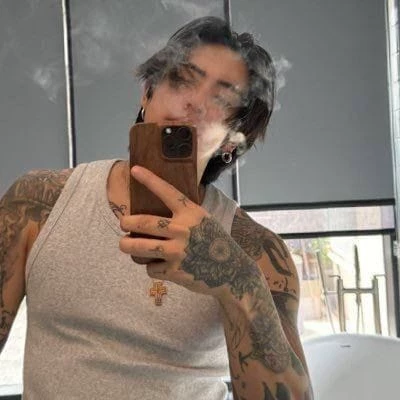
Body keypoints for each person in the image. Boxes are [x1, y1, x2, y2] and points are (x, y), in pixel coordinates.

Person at [0, 16, 313, 400]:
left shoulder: (257, 252)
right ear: (147, 94)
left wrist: (236, 279)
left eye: (221, 98)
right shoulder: (38, 202)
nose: (194, 103)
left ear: (233, 140)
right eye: (182, 80)